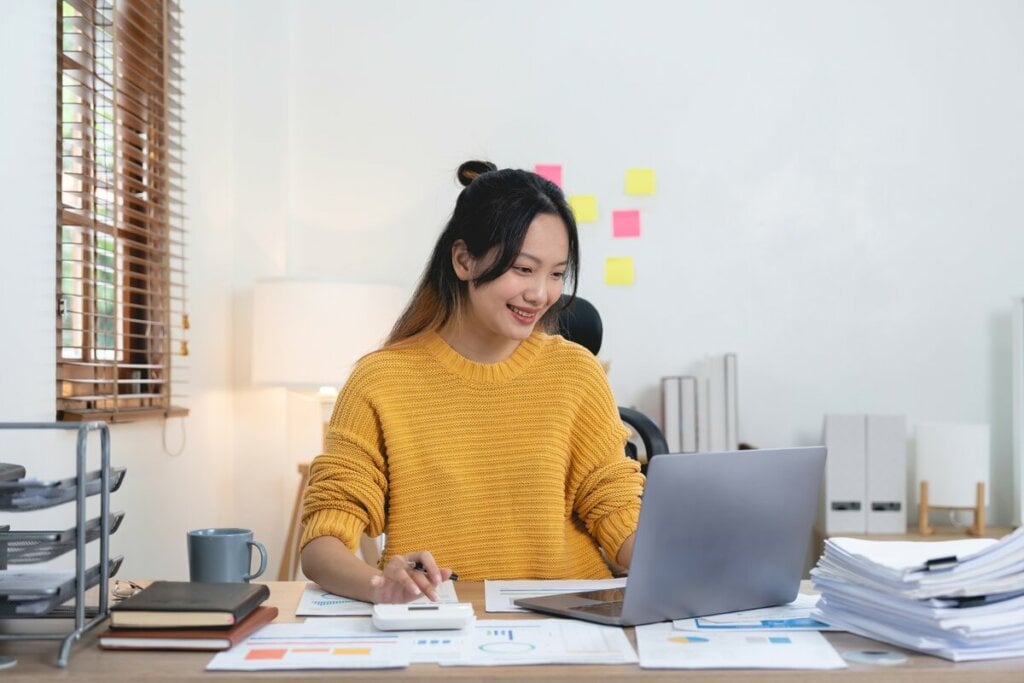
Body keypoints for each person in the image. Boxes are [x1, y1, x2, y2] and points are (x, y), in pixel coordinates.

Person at [300, 160, 644, 604]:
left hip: (569, 618)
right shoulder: (380, 380)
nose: (541, 293)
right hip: (443, 621)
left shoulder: (577, 373)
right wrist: (381, 585)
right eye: (523, 269)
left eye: (557, 273)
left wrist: (699, 560)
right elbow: (322, 541)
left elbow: (616, 510)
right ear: (464, 260)